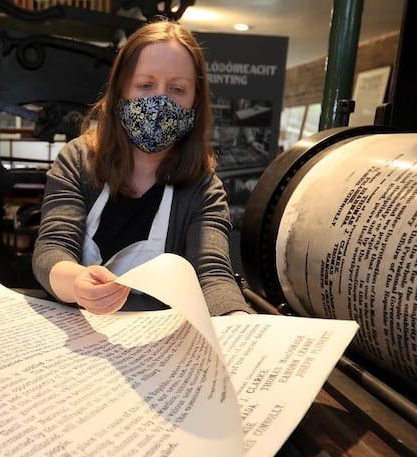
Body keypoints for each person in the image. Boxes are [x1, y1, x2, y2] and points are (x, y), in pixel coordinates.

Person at [31, 19, 252, 316]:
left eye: (177, 89)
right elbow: (52, 248)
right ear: (121, 91)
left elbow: (211, 274)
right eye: (145, 85)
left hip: (156, 344)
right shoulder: (78, 160)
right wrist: (78, 282)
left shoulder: (203, 188)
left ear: (195, 104)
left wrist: (237, 322)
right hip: (78, 330)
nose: (159, 102)